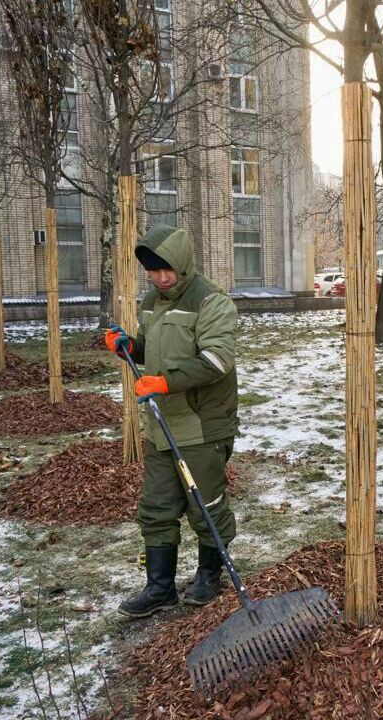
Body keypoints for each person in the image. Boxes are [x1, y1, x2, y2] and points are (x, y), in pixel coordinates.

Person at [103, 225, 239, 618]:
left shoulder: (211, 301)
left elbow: (216, 361)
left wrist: (164, 383)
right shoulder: (152, 302)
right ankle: (159, 588)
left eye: (168, 270)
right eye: (154, 271)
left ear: (182, 264)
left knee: (205, 504)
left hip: (202, 423)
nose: (162, 278)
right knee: (157, 506)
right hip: (162, 425)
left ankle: (209, 576)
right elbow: (154, 348)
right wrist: (130, 345)